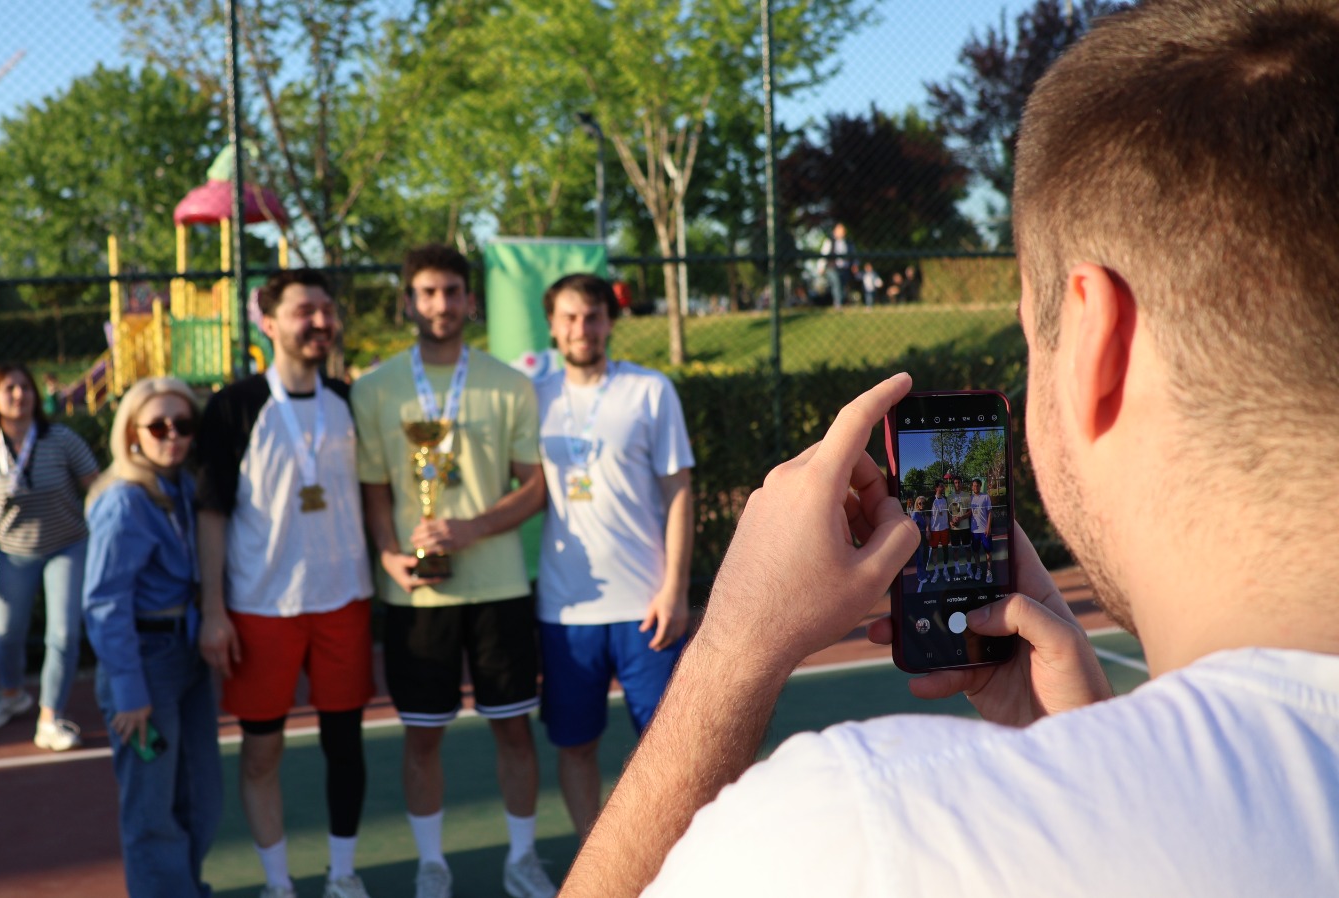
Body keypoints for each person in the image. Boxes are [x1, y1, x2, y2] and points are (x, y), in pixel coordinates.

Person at [559, 2, 1339, 894]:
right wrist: (1076, 755)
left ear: (1097, 343)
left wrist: (730, 653)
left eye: (1033, 335)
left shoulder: (868, 824)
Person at [350, 244, 553, 898]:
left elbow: (536, 486)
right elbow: (375, 491)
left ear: (470, 300)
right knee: (422, 736)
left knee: (514, 728)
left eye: (452, 292)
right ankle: (432, 865)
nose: (440, 304)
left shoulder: (509, 384)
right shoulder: (373, 388)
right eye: (428, 293)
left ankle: (521, 858)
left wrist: (471, 529)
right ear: (409, 302)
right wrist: (389, 554)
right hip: (416, 596)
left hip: (499, 587)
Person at [194, 271, 376, 898]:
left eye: (327, 309)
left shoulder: (349, 400)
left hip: (344, 600)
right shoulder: (233, 406)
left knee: (345, 747)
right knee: (261, 751)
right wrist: (214, 610)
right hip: (261, 606)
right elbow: (211, 512)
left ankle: (343, 874)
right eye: (305, 311)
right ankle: (279, 883)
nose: (320, 321)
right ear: (269, 323)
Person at [533, 273, 694, 839]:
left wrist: (675, 588)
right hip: (566, 609)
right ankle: (592, 861)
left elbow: (679, 492)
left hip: (646, 605)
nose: (582, 328)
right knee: (576, 746)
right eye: (570, 317)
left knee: (667, 746)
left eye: (593, 316)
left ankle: (671, 859)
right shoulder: (533, 397)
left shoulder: (649, 390)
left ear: (609, 322)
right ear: (552, 326)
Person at [83, 377, 221, 898]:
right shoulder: (124, 501)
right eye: (158, 427)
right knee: (151, 809)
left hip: (187, 656)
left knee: (201, 797)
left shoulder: (181, 488)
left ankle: (186, 887)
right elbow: (104, 602)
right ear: (132, 433)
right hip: (145, 662)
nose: (173, 436)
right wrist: (129, 690)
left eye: (183, 425)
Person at [0, 363, 100, 751]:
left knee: (64, 634)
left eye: (25, 387)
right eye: (9, 388)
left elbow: (97, 486)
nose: (19, 395)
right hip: (13, 553)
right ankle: (11, 694)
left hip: (67, 547)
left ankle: (50, 718)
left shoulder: (62, 439)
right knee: (6, 632)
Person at [815, 223, 856, 309]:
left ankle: (841, 302)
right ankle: (838, 304)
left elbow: (853, 256)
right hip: (832, 267)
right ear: (835, 231)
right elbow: (824, 254)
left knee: (842, 286)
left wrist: (854, 265)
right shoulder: (829, 241)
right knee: (836, 284)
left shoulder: (849, 242)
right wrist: (821, 267)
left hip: (844, 268)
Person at [925, 482, 949, 586]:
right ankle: (936, 572)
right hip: (934, 529)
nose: (943, 487)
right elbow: (927, 516)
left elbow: (948, 513)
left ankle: (945, 570)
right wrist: (927, 529)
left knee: (945, 550)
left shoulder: (946, 499)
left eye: (943, 486)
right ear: (936, 488)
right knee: (934, 551)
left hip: (945, 528)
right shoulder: (930, 500)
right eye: (941, 486)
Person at [970, 477, 993, 583]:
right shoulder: (970, 498)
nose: (975, 487)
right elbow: (968, 513)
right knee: (976, 551)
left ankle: (989, 571)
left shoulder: (985, 496)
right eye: (974, 485)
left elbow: (990, 512)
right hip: (974, 531)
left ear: (980, 486)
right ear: (972, 487)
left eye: (977, 485)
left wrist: (988, 527)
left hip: (984, 530)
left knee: (988, 551)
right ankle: (978, 569)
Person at [948, 477, 973, 580]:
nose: (957, 484)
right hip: (955, 529)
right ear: (953, 484)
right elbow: (950, 512)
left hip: (965, 527)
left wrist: (961, 518)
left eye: (959, 482)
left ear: (961, 484)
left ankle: (969, 568)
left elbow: (970, 511)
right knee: (955, 550)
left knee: (967, 548)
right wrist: (951, 521)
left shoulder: (967, 495)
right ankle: (957, 569)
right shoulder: (950, 497)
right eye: (955, 482)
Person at [910, 495, 930, 592]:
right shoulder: (915, 514)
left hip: (925, 536)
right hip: (919, 536)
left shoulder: (924, 513)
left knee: (926, 554)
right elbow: (913, 528)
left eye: (923, 503)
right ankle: (920, 575)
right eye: (920, 503)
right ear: (917, 504)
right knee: (920, 556)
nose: (922, 505)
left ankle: (924, 572)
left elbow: (927, 524)